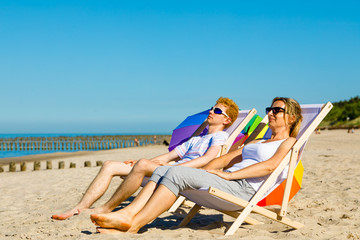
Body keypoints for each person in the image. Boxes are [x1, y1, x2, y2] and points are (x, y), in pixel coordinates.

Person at [90, 97, 303, 234]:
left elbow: (269, 167)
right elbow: (226, 160)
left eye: (277, 110)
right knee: (166, 170)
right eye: (270, 109)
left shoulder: (289, 143)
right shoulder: (259, 141)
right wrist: (208, 169)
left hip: (242, 189)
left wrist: (229, 176)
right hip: (226, 180)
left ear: (291, 118)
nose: (271, 113)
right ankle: (128, 214)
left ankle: (133, 225)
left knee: (176, 172)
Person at [52, 97, 239, 220]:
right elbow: (168, 155)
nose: (210, 112)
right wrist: (144, 162)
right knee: (110, 165)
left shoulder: (219, 137)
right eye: (212, 108)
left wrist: (175, 167)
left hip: (181, 174)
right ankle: (80, 207)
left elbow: (207, 159)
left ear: (226, 120)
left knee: (141, 165)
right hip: (170, 168)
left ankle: (106, 208)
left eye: (216, 111)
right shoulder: (197, 138)